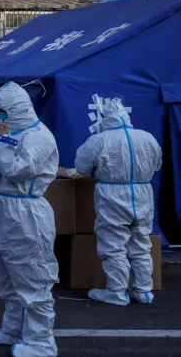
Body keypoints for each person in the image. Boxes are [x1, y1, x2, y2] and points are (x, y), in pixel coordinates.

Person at [0, 82, 59, 357]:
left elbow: (19, 170)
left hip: (26, 211)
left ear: (18, 108)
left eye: (4, 111)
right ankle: (13, 330)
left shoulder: (39, 137)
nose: (0, 116)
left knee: (32, 276)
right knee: (6, 275)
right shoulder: (5, 131)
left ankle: (42, 342)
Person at [74, 97, 161, 306]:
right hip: (142, 192)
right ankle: (143, 290)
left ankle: (116, 292)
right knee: (140, 242)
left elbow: (82, 168)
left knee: (113, 243)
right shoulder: (147, 138)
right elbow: (157, 164)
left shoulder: (99, 140)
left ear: (106, 118)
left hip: (112, 194)